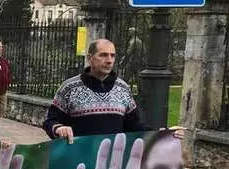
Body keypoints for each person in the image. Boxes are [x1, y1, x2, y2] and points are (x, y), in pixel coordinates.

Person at [43, 38, 185, 143]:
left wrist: (163, 133)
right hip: (79, 162)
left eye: (112, 55)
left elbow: (134, 127)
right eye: (103, 55)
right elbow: (49, 121)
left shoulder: (122, 88)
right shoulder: (69, 88)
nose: (109, 60)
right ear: (90, 58)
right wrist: (58, 128)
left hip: (113, 166)